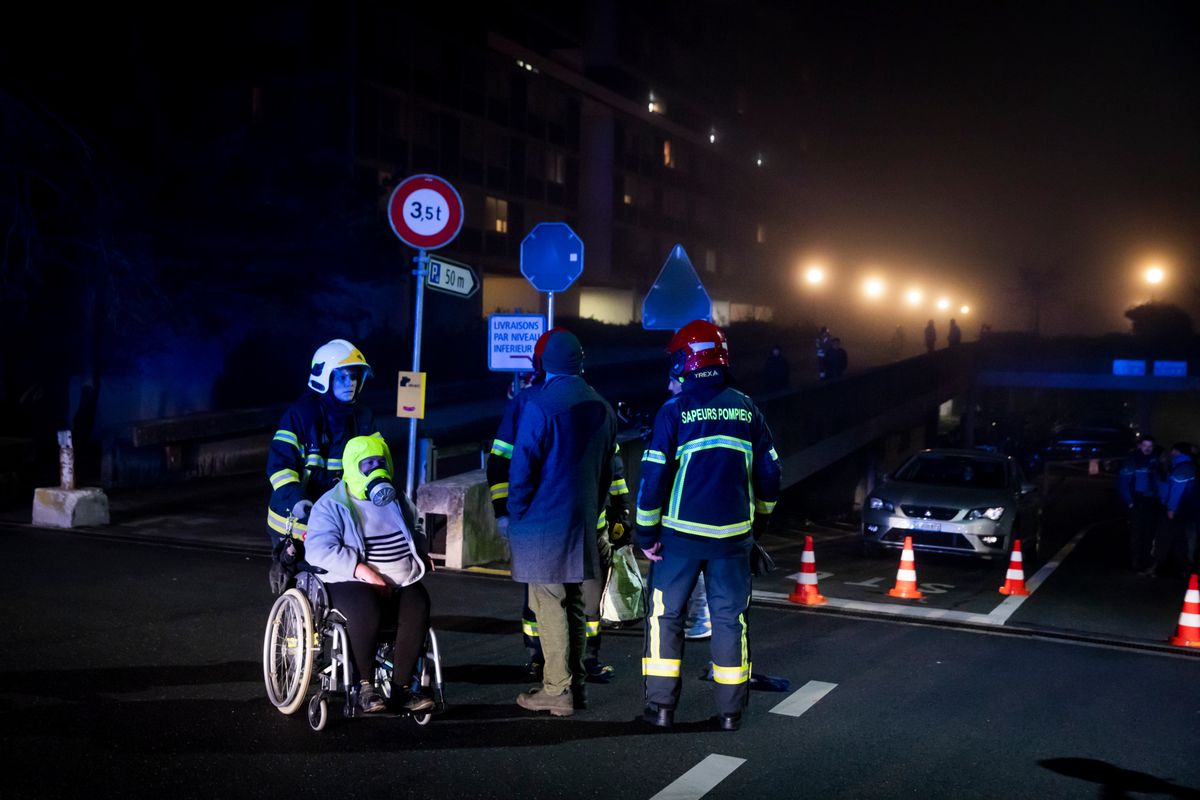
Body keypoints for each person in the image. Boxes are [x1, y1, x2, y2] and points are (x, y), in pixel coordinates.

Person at [636, 319, 782, 731]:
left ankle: (661, 709)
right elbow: (771, 475)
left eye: (679, 357)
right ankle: (730, 714)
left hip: (679, 540)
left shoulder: (674, 411)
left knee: (666, 618)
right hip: (734, 539)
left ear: (690, 358)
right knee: (729, 620)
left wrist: (646, 534)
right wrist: (760, 524)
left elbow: (652, 480)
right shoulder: (747, 408)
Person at [487, 328, 625, 683]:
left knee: (547, 599)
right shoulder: (600, 405)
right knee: (581, 601)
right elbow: (611, 468)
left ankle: (555, 676)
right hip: (586, 524)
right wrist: (615, 512)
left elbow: (514, 467)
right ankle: (571, 669)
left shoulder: (534, 404)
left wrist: (511, 514)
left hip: (544, 526)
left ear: (541, 362)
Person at [304, 435, 434, 714]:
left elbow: (416, 528)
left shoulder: (396, 498)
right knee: (367, 608)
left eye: (380, 461)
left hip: (401, 579)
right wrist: (360, 569)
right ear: (352, 466)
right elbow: (317, 550)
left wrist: (421, 552)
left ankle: (401, 690)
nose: (377, 468)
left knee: (419, 604)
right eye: (368, 463)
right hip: (351, 581)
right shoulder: (331, 505)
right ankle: (366, 687)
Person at [266, 339, 380, 591]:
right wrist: (296, 501)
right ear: (324, 377)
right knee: (304, 584)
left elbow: (376, 463)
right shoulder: (300, 415)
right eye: (342, 377)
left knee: (343, 581)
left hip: (341, 516)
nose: (350, 383)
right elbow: (280, 466)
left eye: (354, 377)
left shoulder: (363, 417)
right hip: (296, 518)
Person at [1118, 435, 1162, 574]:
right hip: (1138, 500)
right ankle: (1135, 561)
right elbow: (1123, 483)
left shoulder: (1154, 460)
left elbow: (1158, 480)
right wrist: (1129, 502)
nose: (1147, 449)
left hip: (1151, 501)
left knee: (1148, 532)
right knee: (1137, 532)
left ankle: (1145, 559)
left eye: (1150, 446)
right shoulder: (1132, 461)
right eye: (1145, 446)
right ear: (1140, 446)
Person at [1156, 442, 1196, 578]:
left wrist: (1171, 508)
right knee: (1181, 538)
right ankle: (1183, 567)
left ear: (1177, 452)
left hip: (1178, 509)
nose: (1171, 453)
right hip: (1187, 509)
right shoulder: (1187, 465)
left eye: (1173, 451)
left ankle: (1165, 567)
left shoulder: (1181, 468)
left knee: (1169, 537)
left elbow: (1176, 491)